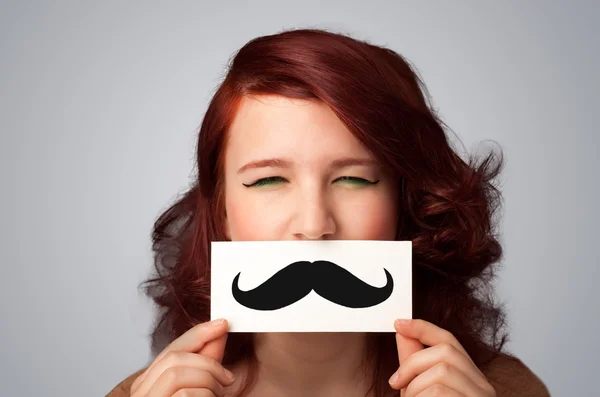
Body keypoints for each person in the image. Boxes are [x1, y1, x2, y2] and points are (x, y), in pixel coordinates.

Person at [107, 28, 550, 397]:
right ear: (220, 210)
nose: (315, 225)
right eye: (267, 181)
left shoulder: (501, 390)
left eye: (354, 179)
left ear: (406, 201)